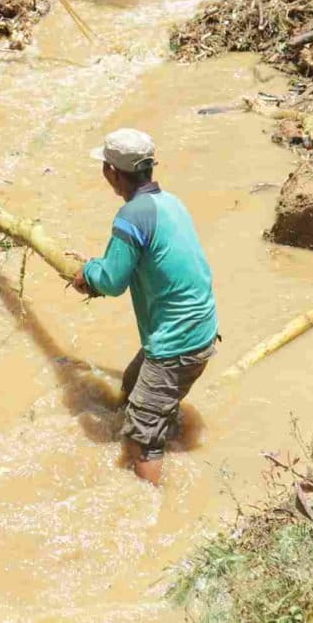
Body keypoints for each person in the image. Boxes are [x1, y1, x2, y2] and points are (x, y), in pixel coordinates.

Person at [71, 128, 218, 486]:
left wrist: (87, 270)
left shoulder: (132, 216)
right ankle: (160, 420)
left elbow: (111, 282)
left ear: (112, 172)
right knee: (133, 382)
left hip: (176, 345)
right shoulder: (171, 203)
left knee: (139, 438)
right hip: (201, 331)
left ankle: (152, 506)